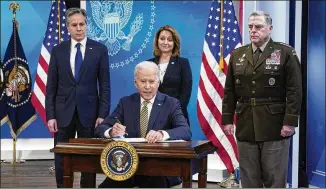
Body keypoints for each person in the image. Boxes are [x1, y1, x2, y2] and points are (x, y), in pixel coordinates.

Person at [221, 11, 302, 188]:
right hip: (245, 123)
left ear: (270, 29)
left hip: (274, 124)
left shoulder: (286, 53)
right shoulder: (238, 55)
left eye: (258, 27)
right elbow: (229, 91)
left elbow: (295, 91)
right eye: (250, 27)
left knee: (274, 176)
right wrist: (227, 119)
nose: (253, 31)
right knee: (249, 177)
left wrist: (290, 122)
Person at [95, 61, 191, 188]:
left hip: (159, 167)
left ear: (158, 82)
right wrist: (111, 131)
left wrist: (162, 134)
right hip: (128, 165)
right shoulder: (126, 103)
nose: (147, 86)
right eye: (143, 81)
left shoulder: (171, 103)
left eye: (151, 82)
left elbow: (185, 131)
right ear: (136, 83)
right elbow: (100, 128)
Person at [45, 8, 110, 188]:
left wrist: (102, 115)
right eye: (74, 25)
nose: (79, 28)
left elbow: (104, 85)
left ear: (86, 25)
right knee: (61, 158)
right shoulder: (58, 51)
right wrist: (50, 115)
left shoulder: (99, 50)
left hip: (89, 113)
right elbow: (51, 87)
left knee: (88, 158)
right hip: (62, 113)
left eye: (82, 24)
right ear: (68, 27)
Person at [148, 25, 192, 125]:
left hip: (176, 115)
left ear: (174, 43)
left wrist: (173, 113)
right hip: (153, 117)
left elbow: (185, 93)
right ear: (157, 41)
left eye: (170, 39)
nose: (165, 42)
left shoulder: (183, 63)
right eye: (162, 39)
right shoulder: (149, 64)